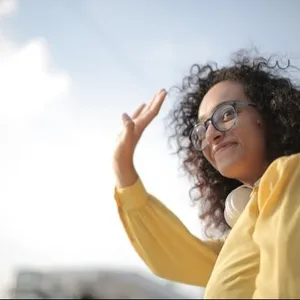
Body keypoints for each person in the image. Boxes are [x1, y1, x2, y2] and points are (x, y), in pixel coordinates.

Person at [112, 50, 300, 298]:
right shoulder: (244, 233)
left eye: (226, 114)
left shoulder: (291, 174)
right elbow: (173, 257)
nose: (211, 134)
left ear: (265, 115)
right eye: (203, 128)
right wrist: (122, 163)